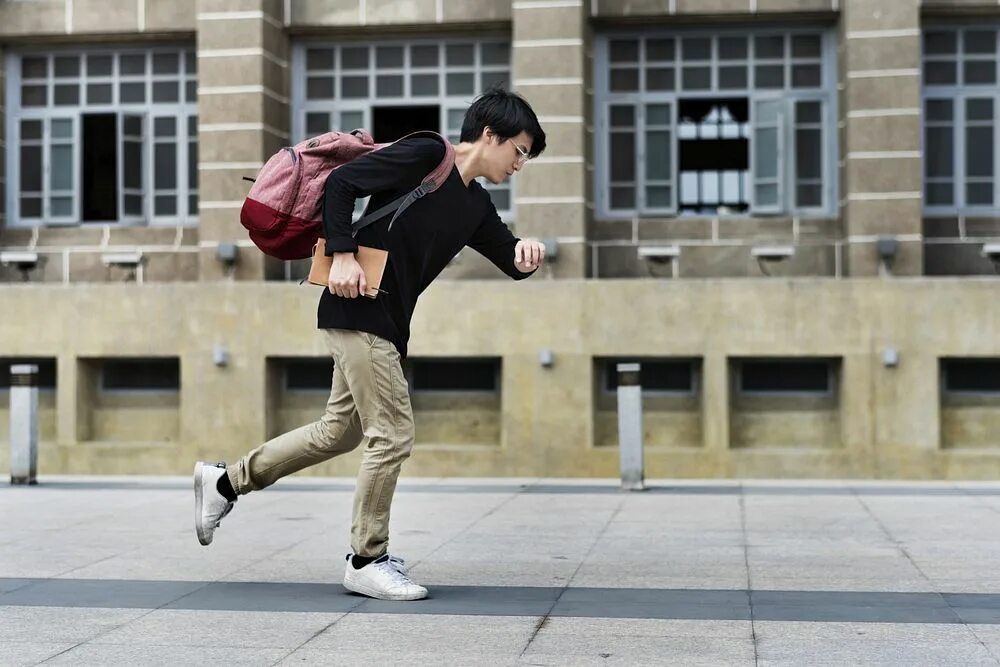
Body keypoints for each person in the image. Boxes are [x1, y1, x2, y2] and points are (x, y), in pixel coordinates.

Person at [193, 87, 547, 601]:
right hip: (359, 305)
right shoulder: (431, 156)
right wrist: (341, 253)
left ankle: (225, 482)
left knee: (337, 432)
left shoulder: (474, 204)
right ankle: (367, 558)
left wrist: (528, 252)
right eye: (518, 150)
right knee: (393, 433)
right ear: (489, 135)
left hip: (380, 320)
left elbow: (511, 258)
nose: (520, 163)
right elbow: (342, 183)